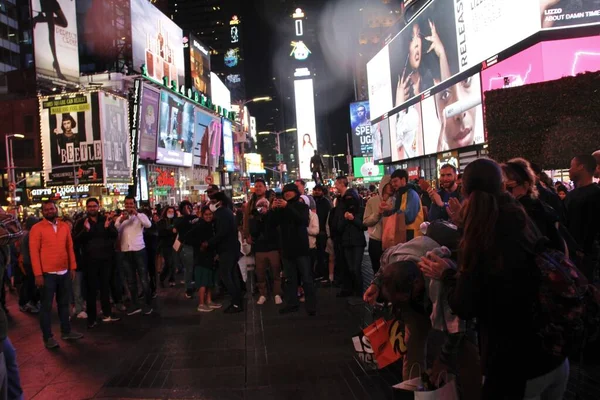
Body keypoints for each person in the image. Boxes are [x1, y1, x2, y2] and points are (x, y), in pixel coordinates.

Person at [421, 158, 569, 399]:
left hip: (515, 367)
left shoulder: (483, 235)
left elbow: (464, 304)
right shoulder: (521, 217)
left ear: (465, 190)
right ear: (503, 187)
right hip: (554, 353)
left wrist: (446, 273)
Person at [29, 201, 83, 349]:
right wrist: (38, 274)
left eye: (51, 208)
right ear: (42, 212)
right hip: (47, 274)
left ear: (56, 209)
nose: (49, 211)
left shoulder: (64, 226)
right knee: (46, 307)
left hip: (64, 272)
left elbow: (69, 247)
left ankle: (66, 331)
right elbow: (34, 253)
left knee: (64, 304)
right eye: (46, 209)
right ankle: (48, 337)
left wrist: (72, 266)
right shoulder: (37, 228)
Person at [73, 198, 121, 329]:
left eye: (94, 206)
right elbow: (75, 241)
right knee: (91, 290)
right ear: (86, 208)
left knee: (105, 288)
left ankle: (107, 313)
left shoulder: (105, 220)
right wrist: (85, 231)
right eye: (90, 206)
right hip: (90, 261)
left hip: (106, 259)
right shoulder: (81, 222)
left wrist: (107, 228)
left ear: (98, 207)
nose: (92, 208)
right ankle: (92, 318)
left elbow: (115, 235)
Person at [501, 159, 566, 253]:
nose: (506, 193)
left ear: (526, 185)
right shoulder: (536, 207)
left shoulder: (532, 211)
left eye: (509, 187)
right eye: (502, 188)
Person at [272, 184, 316, 316]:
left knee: (307, 278)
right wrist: (273, 210)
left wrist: (287, 207)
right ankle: (292, 303)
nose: (287, 194)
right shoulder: (281, 209)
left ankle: (311, 305)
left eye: (290, 191)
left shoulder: (302, 206)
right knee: (290, 278)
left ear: (296, 193)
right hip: (286, 249)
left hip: (301, 248)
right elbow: (272, 224)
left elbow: (302, 220)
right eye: (285, 192)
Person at [204, 192, 243, 313]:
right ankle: (238, 301)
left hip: (227, 249)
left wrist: (208, 243)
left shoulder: (222, 213)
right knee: (232, 275)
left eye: (212, 201)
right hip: (232, 248)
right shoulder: (227, 212)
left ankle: (237, 302)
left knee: (226, 275)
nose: (210, 203)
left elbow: (222, 233)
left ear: (219, 202)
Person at [115, 196, 153, 316]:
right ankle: (135, 304)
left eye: (131, 203)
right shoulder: (121, 218)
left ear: (134, 204)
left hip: (139, 250)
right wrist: (121, 220)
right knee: (130, 280)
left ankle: (147, 304)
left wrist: (136, 214)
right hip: (126, 251)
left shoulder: (140, 216)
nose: (129, 206)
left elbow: (148, 225)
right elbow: (116, 228)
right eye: (127, 204)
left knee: (143, 278)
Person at [565, 155, 600, 282]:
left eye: (572, 166)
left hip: (586, 255)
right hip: (574, 253)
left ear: (581, 167)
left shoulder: (596, 194)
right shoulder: (572, 195)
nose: (569, 170)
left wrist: (582, 249)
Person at [334, 188, 367, 299]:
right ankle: (353, 290)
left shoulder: (361, 210)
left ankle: (360, 291)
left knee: (355, 268)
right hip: (346, 243)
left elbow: (364, 226)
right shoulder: (342, 211)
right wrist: (345, 219)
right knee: (350, 268)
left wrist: (353, 219)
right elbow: (339, 227)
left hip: (358, 243)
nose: (349, 201)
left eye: (351, 198)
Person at [250, 198, 283, 305]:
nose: (262, 208)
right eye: (260, 205)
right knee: (260, 274)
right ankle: (263, 294)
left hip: (272, 248)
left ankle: (277, 294)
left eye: (264, 205)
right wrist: (257, 218)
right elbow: (254, 232)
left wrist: (269, 213)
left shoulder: (272, 215)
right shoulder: (255, 218)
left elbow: (275, 224)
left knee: (276, 272)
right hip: (260, 249)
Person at [380, 169, 425, 241]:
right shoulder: (400, 194)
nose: (393, 184)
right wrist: (389, 210)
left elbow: (409, 217)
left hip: (413, 236)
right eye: (392, 182)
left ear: (403, 180)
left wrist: (393, 212)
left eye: (395, 181)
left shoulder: (411, 194)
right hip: (404, 234)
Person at [32, 0, 69, 80]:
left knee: (64, 23)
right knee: (51, 30)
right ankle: (57, 65)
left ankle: (39, 19)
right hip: (47, 2)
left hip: (52, 2)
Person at [363, 177, 392, 274]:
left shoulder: (396, 201)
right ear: (384, 185)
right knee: (377, 271)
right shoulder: (372, 201)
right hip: (376, 241)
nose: (392, 186)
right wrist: (378, 214)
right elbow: (366, 221)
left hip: (391, 242)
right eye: (389, 184)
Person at [195, 206, 221, 312]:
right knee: (203, 281)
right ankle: (201, 303)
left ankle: (209, 301)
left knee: (209, 280)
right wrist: (202, 245)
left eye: (210, 214)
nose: (208, 216)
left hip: (209, 257)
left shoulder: (211, 225)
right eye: (206, 214)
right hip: (202, 258)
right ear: (202, 215)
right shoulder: (200, 226)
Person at [175, 201, 201, 299]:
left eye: (189, 207)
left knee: (196, 267)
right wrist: (187, 215)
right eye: (186, 208)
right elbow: (179, 226)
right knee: (189, 268)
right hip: (186, 247)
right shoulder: (179, 220)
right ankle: (188, 288)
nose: (188, 209)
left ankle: (196, 285)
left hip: (196, 246)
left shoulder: (195, 218)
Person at [18, 216, 40, 314]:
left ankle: (25, 302)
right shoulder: (30, 234)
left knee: (27, 283)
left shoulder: (23, 234)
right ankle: (29, 302)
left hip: (25, 262)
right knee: (31, 284)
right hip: (30, 262)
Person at [311, 184, 331, 282]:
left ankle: (323, 274)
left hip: (322, 232)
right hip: (313, 232)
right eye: (315, 190)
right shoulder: (312, 201)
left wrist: (324, 231)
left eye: (319, 190)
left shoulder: (325, 202)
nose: (317, 192)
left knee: (322, 254)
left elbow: (327, 217)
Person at [157, 206, 177, 288]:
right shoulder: (161, 222)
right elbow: (161, 232)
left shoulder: (175, 221)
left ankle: (172, 279)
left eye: (172, 211)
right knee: (168, 263)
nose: (171, 213)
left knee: (174, 263)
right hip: (166, 244)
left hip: (175, 244)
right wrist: (171, 231)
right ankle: (162, 278)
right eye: (169, 211)